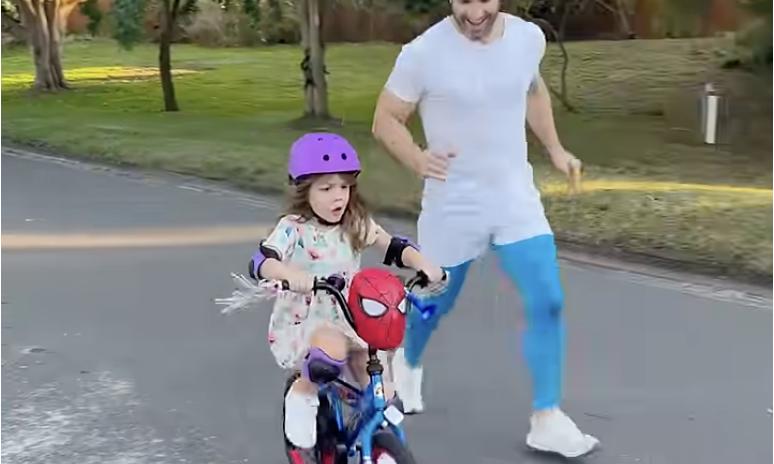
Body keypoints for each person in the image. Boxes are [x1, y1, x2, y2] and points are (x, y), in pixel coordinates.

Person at [371, 0, 598, 458]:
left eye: (485, 0)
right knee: (435, 301)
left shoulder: (527, 39)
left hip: (514, 197)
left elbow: (531, 91)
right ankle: (408, 361)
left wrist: (554, 149)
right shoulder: (422, 53)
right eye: (464, 1)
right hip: (453, 202)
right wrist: (417, 158)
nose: (475, 11)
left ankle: (547, 418)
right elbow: (385, 119)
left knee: (548, 300)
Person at [248, 132, 446, 462]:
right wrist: (289, 274)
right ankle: (302, 394)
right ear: (303, 190)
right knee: (329, 355)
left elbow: (391, 245)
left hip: (351, 314)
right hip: (310, 317)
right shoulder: (293, 228)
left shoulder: (353, 222)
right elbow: (263, 260)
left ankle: (375, 434)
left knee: (378, 373)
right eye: (325, 188)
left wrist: (424, 264)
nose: (337, 196)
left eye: (344, 186)